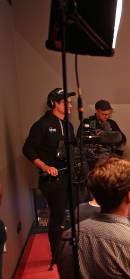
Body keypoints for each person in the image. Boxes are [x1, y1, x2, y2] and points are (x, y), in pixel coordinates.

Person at [23, 88, 76, 264]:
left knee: (76, 213)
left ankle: (74, 250)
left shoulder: (68, 125)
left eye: (70, 102)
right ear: (54, 103)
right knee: (58, 216)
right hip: (52, 180)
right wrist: (45, 166)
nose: (70, 105)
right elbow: (28, 149)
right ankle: (57, 255)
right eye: (66, 102)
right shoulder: (42, 125)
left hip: (70, 176)